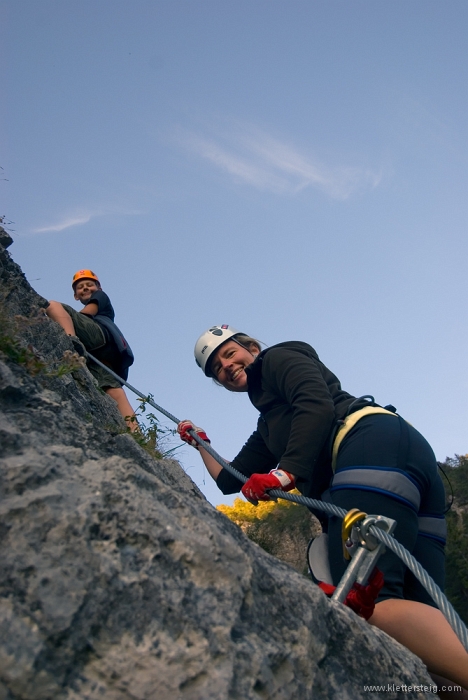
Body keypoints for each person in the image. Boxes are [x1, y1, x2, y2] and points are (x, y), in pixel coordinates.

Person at [177, 324, 468, 689]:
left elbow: (314, 402)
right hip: (405, 463)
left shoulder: (278, 358)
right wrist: (200, 443)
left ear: (251, 347)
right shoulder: (269, 425)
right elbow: (230, 479)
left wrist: (286, 473)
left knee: (369, 602)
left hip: (368, 444)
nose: (226, 366)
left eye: (229, 353)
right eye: (217, 369)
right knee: (423, 624)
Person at [45, 269, 138, 432]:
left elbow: (87, 314)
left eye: (90, 285)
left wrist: (65, 325)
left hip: (97, 335)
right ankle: (136, 433)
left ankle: (71, 342)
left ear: (99, 288)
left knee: (52, 305)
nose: (86, 288)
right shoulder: (100, 302)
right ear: (76, 296)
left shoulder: (102, 297)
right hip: (102, 359)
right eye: (80, 287)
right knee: (115, 391)